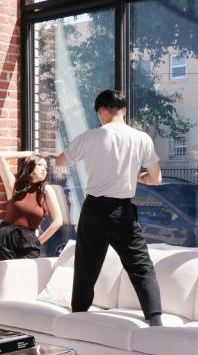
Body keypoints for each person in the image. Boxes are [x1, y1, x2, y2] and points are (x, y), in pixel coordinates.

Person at [54, 89, 165, 326]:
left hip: (94, 210)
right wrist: (138, 177)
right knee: (140, 264)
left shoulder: (90, 137)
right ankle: (155, 319)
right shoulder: (141, 138)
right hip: (123, 211)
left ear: (102, 111)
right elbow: (156, 178)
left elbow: (60, 161)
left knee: (86, 266)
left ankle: (78, 318)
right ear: (123, 110)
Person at [0, 151, 64, 262]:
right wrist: (31, 153)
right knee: (7, 278)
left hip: (29, 241)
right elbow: (0, 156)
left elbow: (58, 220)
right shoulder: (14, 187)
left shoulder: (46, 191)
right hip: (5, 239)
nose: (44, 169)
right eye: (40, 165)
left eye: (45, 167)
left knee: (27, 277)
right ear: (30, 166)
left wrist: (38, 241)